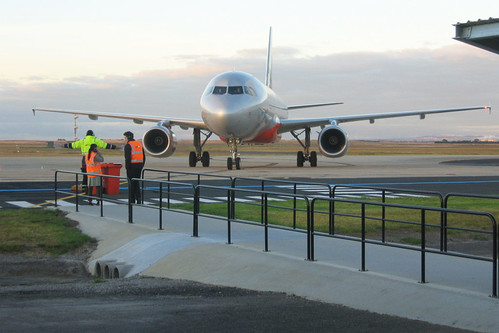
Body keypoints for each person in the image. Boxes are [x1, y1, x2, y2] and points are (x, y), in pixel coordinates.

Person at [123, 131, 145, 204]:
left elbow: (128, 158)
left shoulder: (128, 145)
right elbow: (143, 156)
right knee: (136, 182)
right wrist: (142, 165)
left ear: (128, 137)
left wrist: (127, 167)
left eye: (125, 137)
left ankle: (132, 200)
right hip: (139, 165)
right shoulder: (139, 144)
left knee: (131, 183)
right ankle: (138, 198)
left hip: (132, 166)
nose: (124, 139)